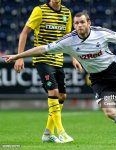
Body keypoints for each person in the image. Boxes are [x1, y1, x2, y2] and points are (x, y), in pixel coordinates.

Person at [3, 12, 116, 145]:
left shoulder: (101, 33)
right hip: (97, 78)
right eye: (76, 23)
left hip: (114, 71)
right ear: (74, 25)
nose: (79, 25)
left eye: (82, 22)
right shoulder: (69, 40)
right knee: (110, 111)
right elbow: (43, 49)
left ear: (88, 22)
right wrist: (17, 56)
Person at [13, 0, 82, 143]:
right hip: (42, 58)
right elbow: (24, 33)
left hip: (58, 60)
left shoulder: (66, 13)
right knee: (54, 92)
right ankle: (61, 132)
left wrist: (74, 58)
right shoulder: (39, 10)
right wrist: (19, 57)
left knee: (62, 95)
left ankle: (47, 133)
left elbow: (68, 39)